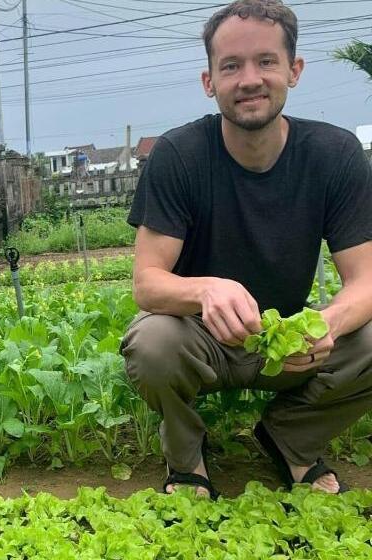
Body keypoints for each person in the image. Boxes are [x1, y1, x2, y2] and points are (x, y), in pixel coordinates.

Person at [121, 0, 372, 499]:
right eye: (231, 66)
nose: (249, 79)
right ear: (209, 81)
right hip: (201, 339)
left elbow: (365, 279)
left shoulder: (334, 154)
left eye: (266, 61)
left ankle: (290, 438)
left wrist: (327, 324)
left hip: (287, 344)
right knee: (152, 343)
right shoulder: (178, 155)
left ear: (294, 70)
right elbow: (147, 283)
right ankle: (186, 457)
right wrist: (206, 290)